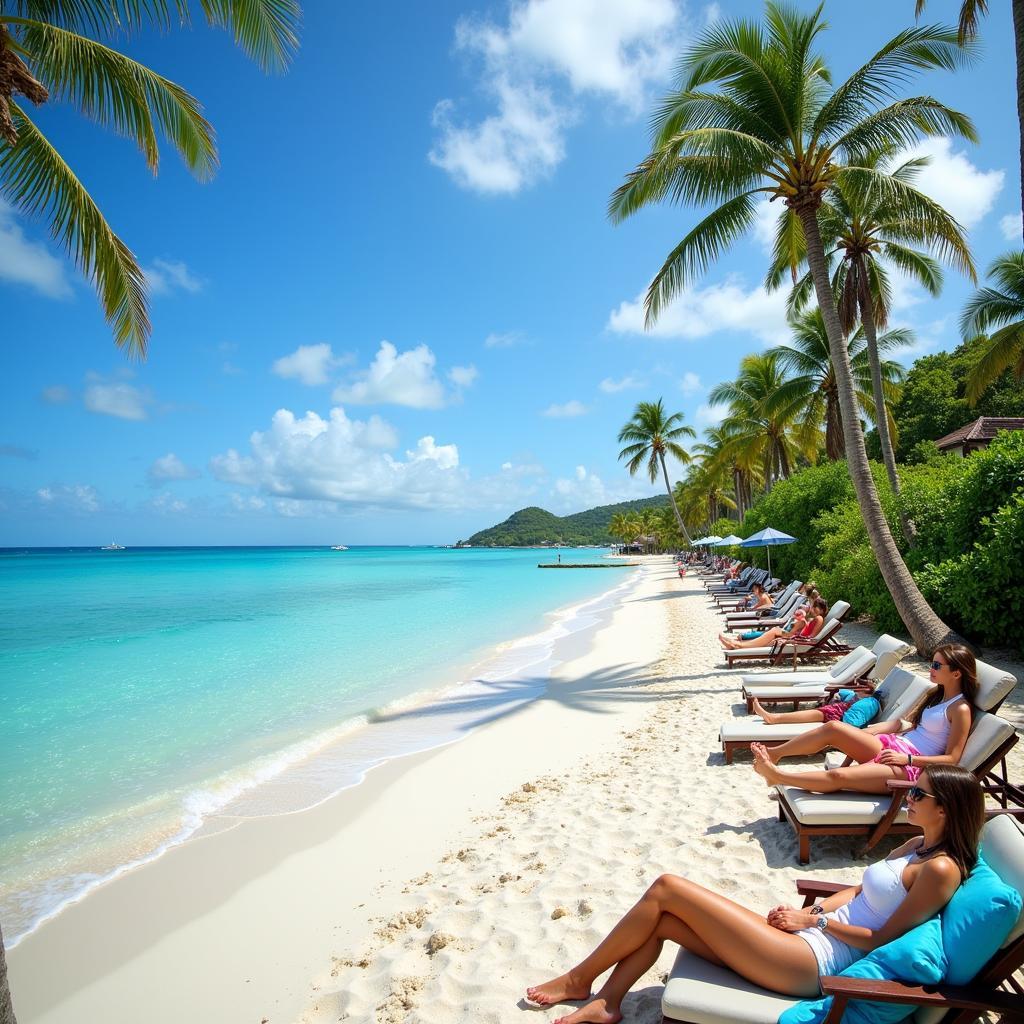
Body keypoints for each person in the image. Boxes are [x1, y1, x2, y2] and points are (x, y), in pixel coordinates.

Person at [525, 766, 982, 1023]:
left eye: (917, 793)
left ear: (944, 808)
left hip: (815, 965)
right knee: (664, 919)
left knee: (667, 887)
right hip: (807, 940)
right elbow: (858, 892)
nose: (907, 796)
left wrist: (815, 922)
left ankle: (577, 980)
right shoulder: (914, 845)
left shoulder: (939, 870)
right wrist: (817, 908)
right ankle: (607, 1002)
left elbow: (884, 939)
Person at [751, 644, 976, 794]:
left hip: (911, 767)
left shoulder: (960, 709)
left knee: (839, 774)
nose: (931, 669)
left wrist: (906, 759)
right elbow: (913, 727)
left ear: (956, 673)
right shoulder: (935, 696)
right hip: (894, 746)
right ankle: (775, 753)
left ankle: (778, 777)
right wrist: (876, 731)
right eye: (932, 664)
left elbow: (953, 758)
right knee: (833, 727)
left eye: (937, 665)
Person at [719, 598, 826, 650]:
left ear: (821, 609)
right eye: (812, 606)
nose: (812, 609)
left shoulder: (819, 618)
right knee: (767, 640)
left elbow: (812, 637)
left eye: (814, 607)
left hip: (796, 639)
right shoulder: (815, 618)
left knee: (772, 633)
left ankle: (737, 645)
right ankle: (735, 644)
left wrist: (791, 639)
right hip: (794, 636)